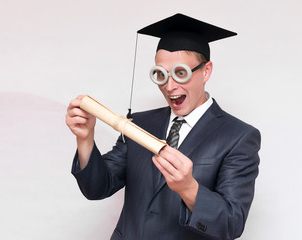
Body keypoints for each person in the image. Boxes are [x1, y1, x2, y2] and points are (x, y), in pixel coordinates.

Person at [66, 13, 261, 240]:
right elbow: (97, 187)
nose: (169, 86)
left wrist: (189, 188)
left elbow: (232, 224)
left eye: (180, 73)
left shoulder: (238, 136)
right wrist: (85, 139)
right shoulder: (139, 124)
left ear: (205, 71)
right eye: (160, 74)